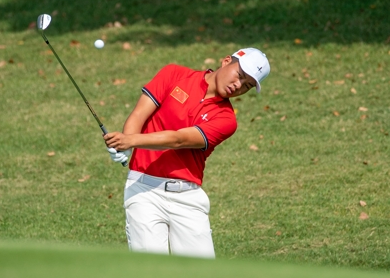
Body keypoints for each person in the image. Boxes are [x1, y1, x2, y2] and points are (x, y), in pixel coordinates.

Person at [103, 47, 270, 258]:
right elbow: (139, 114)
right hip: (143, 190)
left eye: (246, 86)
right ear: (226, 61)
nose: (238, 86)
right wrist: (125, 145)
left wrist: (131, 141)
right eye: (240, 76)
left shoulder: (227, 120)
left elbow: (179, 139)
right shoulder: (174, 74)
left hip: (187, 197)